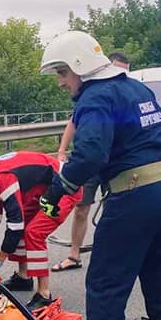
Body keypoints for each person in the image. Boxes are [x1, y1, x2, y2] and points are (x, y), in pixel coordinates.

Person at [39, 31, 161, 320]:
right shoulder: (136, 89)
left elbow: (90, 154)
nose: (61, 83)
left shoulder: (95, 97)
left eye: (62, 73)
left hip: (135, 190)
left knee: (106, 279)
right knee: (158, 269)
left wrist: (60, 186)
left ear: (79, 67)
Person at [51, 51, 130, 273]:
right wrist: (62, 150)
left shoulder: (121, 94)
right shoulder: (95, 96)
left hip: (114, 163)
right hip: (89, 161)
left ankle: (115, 253)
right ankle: (74, 254)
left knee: (114, 208)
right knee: (81, 208)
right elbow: (73, 122)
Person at [0, 150, 82, 308]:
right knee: (23, 223)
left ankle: (44, 293)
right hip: (43, 189)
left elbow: (14, 223)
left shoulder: (1, 179)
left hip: (65, 187)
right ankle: (23, 278)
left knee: (34, 233)